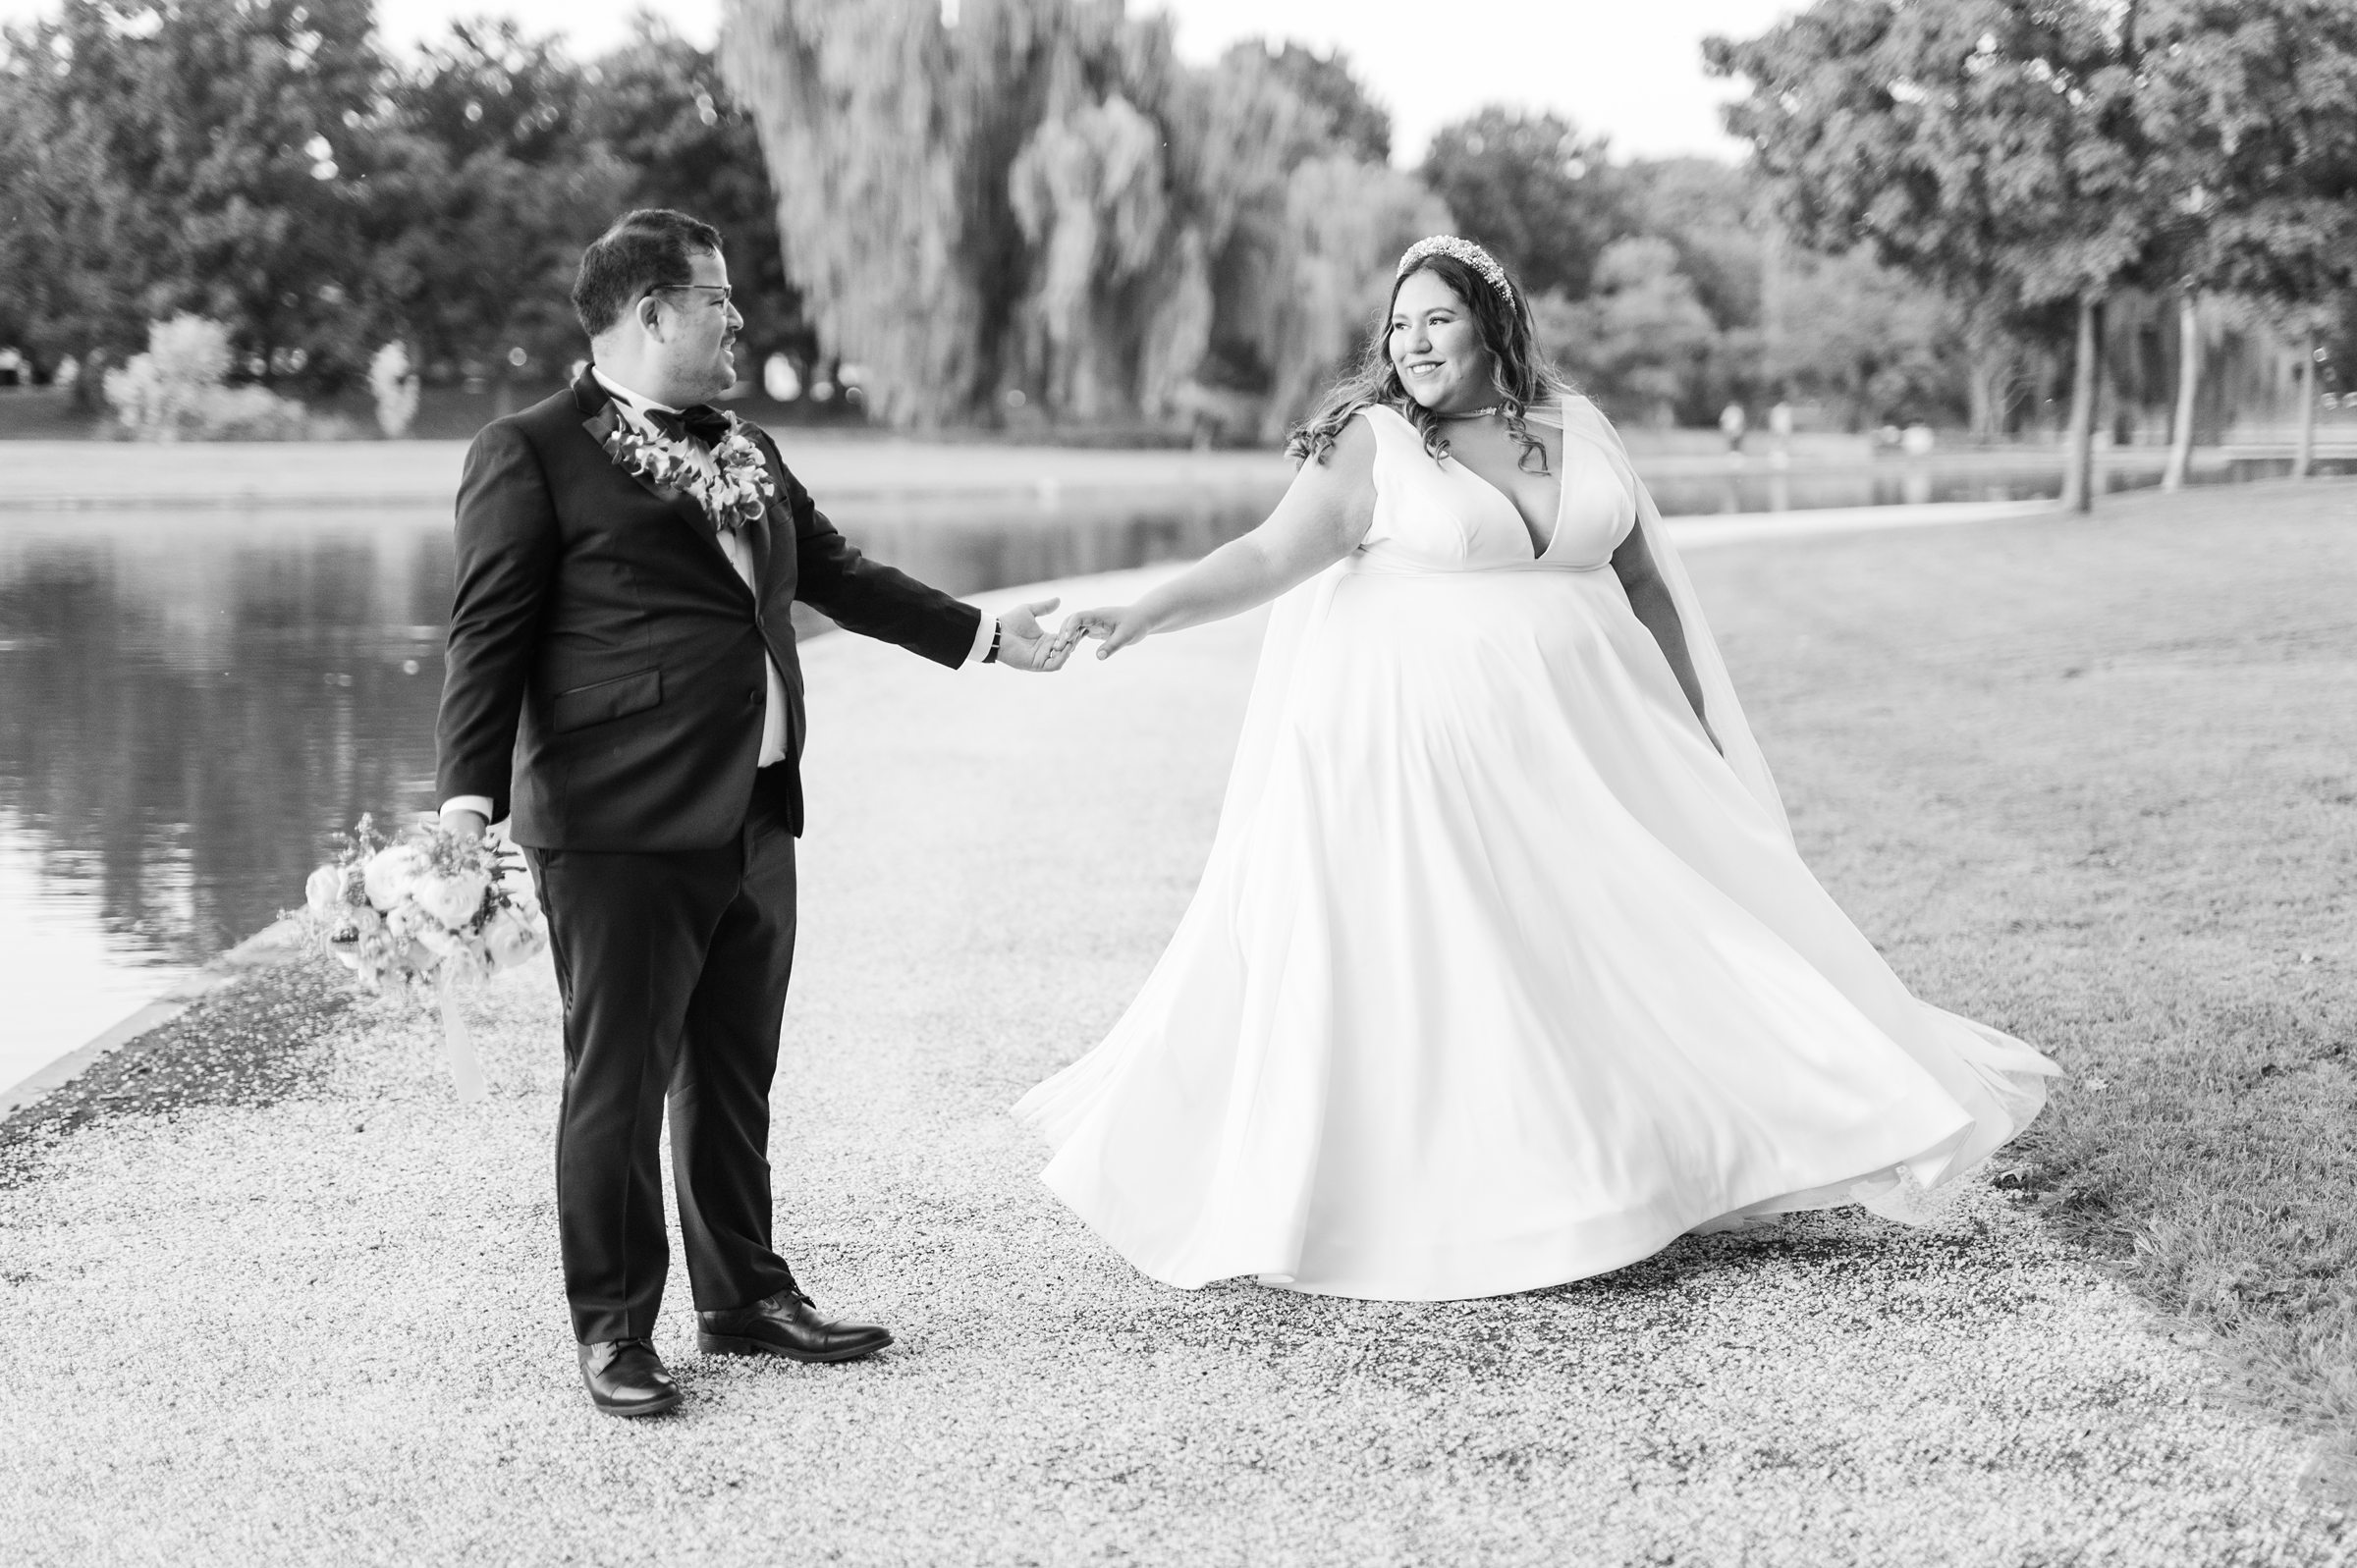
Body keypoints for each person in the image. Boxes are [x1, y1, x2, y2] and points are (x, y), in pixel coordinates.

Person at [1015, 235, 2056, 1302]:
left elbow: (1646, 580)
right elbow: (1268, 559)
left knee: (1652, 946)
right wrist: (1140, 613)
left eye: (1438, 319)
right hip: (1424, 764)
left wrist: (1697, 726)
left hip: (1599, 750)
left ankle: (1705, 1149)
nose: (1413, 342)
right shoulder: (1372, 443)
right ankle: (1519, 1206)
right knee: (1480, 973)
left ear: (1492, 324)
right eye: (1399, 324)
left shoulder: (1585, 427)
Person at [434, 209, 1071, 1418]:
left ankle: (744, 1296)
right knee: (614, 1083)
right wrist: (466, 806)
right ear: (651, 313)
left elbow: (839, 574)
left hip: (756, 811)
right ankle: (615, 1332)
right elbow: (486, 637)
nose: (738, 320)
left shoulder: (749, 446)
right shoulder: (528, 451)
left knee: (731, 1074)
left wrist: (990, 636)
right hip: (616, 822)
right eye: (717, 300)